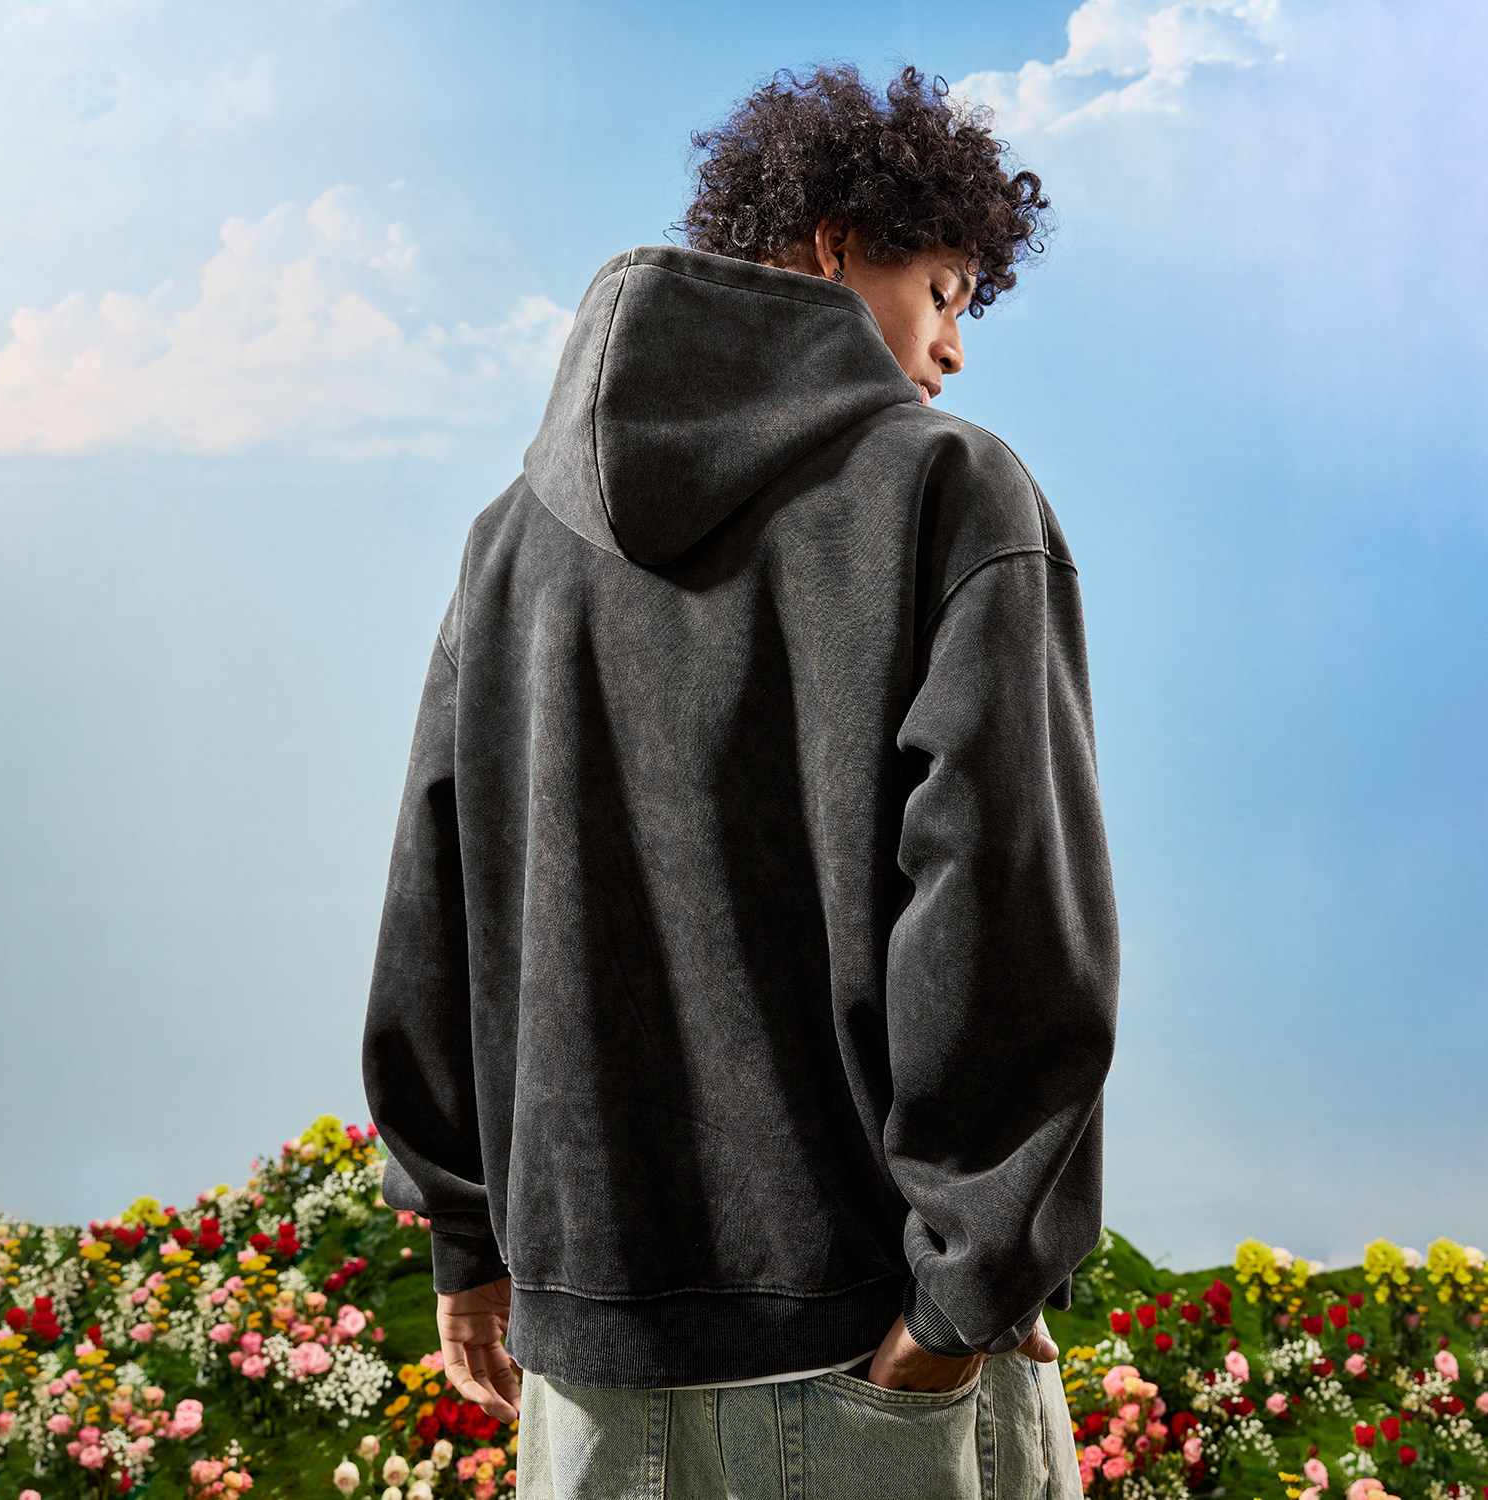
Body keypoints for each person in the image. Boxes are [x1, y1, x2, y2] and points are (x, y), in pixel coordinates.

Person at [362, 62, 1119, 1498]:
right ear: (836, 245)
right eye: (945, 291)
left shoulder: (511, 539)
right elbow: (1008, 912)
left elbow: (434, 895)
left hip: (586, 1381)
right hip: (869, 1356)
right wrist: (959, 1304)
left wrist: (465, 1236)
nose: (955, 348)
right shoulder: (949, 490)